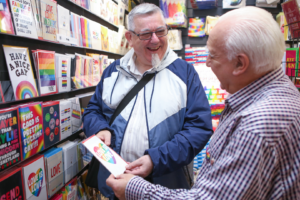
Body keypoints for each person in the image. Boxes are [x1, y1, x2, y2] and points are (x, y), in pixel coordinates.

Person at [106, 6, 300, 200]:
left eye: (213, 55)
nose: (206, 62)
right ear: (130, 37)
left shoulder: (256, 126)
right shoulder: (277, 94)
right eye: (146, 34)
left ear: (240, 64)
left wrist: (135, 188)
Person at [82, 3, 213, 199]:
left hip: (165, 187)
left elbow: (199, 128)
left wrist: (155, 160)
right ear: (130, 38)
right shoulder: (112, 72)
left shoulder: (184, 73)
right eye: (145, 34)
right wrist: (100, 129)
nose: (155, 40)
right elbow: (93, 110)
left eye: (160, 31)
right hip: (114, 185)